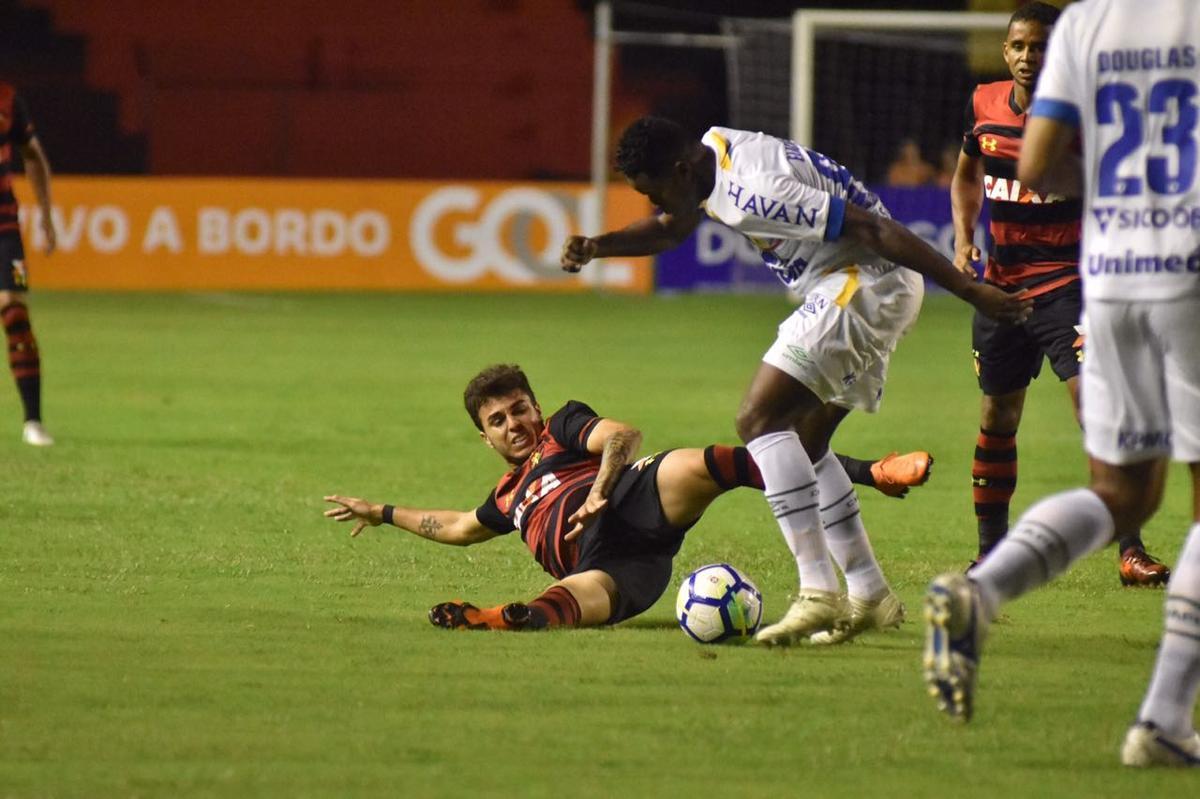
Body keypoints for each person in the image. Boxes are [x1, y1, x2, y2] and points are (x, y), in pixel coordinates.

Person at [560, 117, 1030, 646]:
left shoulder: (755, 191)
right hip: (859, 284)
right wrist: (599, 245)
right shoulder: (711, 152)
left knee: (758, 419)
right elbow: (671, 228)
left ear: (679, 170)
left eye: (656, 191)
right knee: (804, 444)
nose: (659, 204)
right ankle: (870, 593)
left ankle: (816, 591)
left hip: (865, 283)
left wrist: (972, 292)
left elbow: (878, 231)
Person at [923, 0, 1200, 767]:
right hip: (1186, 265)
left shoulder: (1086, 26)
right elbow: (989, 169)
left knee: (1125, 485)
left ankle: (983, 590)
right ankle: (1165, 714)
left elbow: (1037, 162)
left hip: (1108, 276)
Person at [950, 0, 1168, 585]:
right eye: (1019, 46)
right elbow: (968, 173)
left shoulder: (1088, 115)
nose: (1029, 57)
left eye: (1041, 46)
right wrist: (963, 239)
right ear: (1006, 50)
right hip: (1000, 289)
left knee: (1094, 410)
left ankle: (1131, 550)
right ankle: (991, 552)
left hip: (1068, 286)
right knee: (999, 414)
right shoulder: (983, 103)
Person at [324, 363, 775, 633]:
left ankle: (827, 471)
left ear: (536, 408)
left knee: (695, 465)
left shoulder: (562, 429)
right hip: (615, 569)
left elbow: (623, 436)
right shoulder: (505, 497)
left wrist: (599, 491)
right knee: (570, 600)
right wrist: (381, 512)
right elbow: (458, 526)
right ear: (486, 438)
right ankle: (503, 619)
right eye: (497, 420)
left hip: (630, 503)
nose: (513, 424)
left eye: (519, 409)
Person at [0, 82, 56, 446]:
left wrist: (46, 216)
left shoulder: (7, 98)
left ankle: (33, 420)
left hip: (5, 228)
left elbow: (32, 154)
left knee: (14, 307)